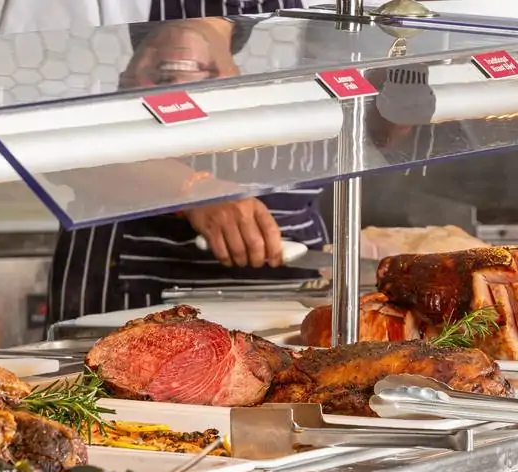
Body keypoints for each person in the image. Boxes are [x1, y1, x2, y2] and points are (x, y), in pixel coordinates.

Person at [34, 2, 329, 323]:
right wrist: (190, 190)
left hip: (295, 301)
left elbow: (375, 124)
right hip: (127, 294)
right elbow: (38, 132)